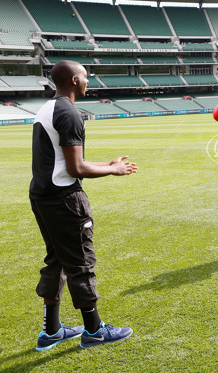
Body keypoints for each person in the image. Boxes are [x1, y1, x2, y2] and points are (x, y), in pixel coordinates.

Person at [30, 60, 138, 350]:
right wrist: (113, 171)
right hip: (65, 199)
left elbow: (66, 163)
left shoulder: (48, 107)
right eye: (86, 77)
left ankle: (51, 331)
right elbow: (76, 168)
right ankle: (94, 330)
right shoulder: (70, 112)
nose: (88, 82)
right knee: (80, 262)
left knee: (57, 261)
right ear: (75, 80)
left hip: (43, 196)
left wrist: (107, 163)